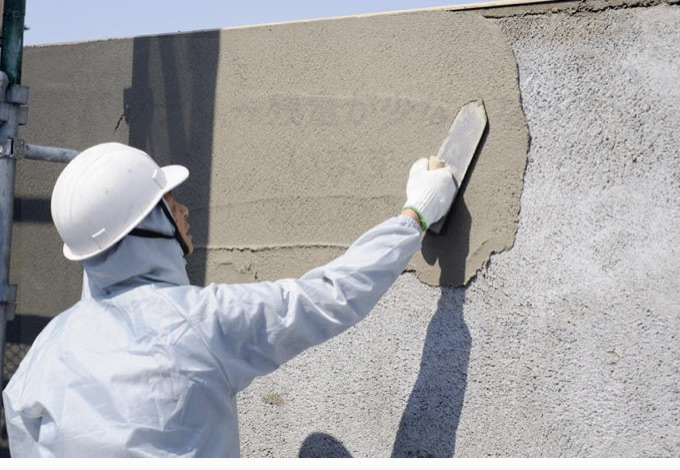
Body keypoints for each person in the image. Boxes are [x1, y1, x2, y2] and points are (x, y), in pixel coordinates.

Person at [2, 142, 455, 457]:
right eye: (169, 202)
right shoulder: (196, 323)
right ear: (146, 227)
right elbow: (329, 295)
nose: (183, 210)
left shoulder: (44, 353)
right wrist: (414, 216)